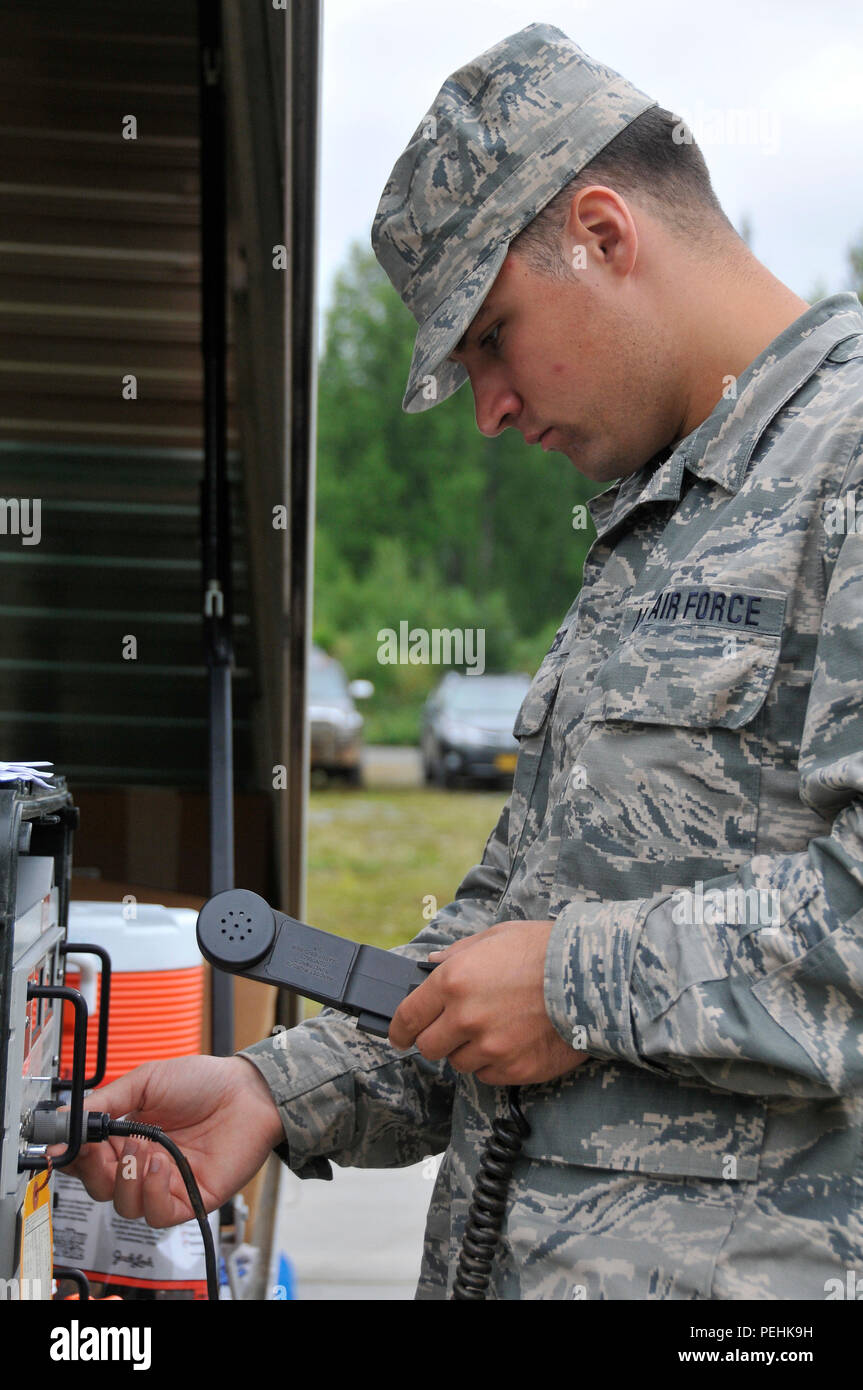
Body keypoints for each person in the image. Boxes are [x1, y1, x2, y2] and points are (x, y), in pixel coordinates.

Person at [67, 23, 863, 1299]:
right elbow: (505, 936)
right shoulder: (657, 520)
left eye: (490, 335)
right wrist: (278, 1089)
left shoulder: (845, 460)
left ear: (600, 233)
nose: (488, 407)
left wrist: (569, 982)